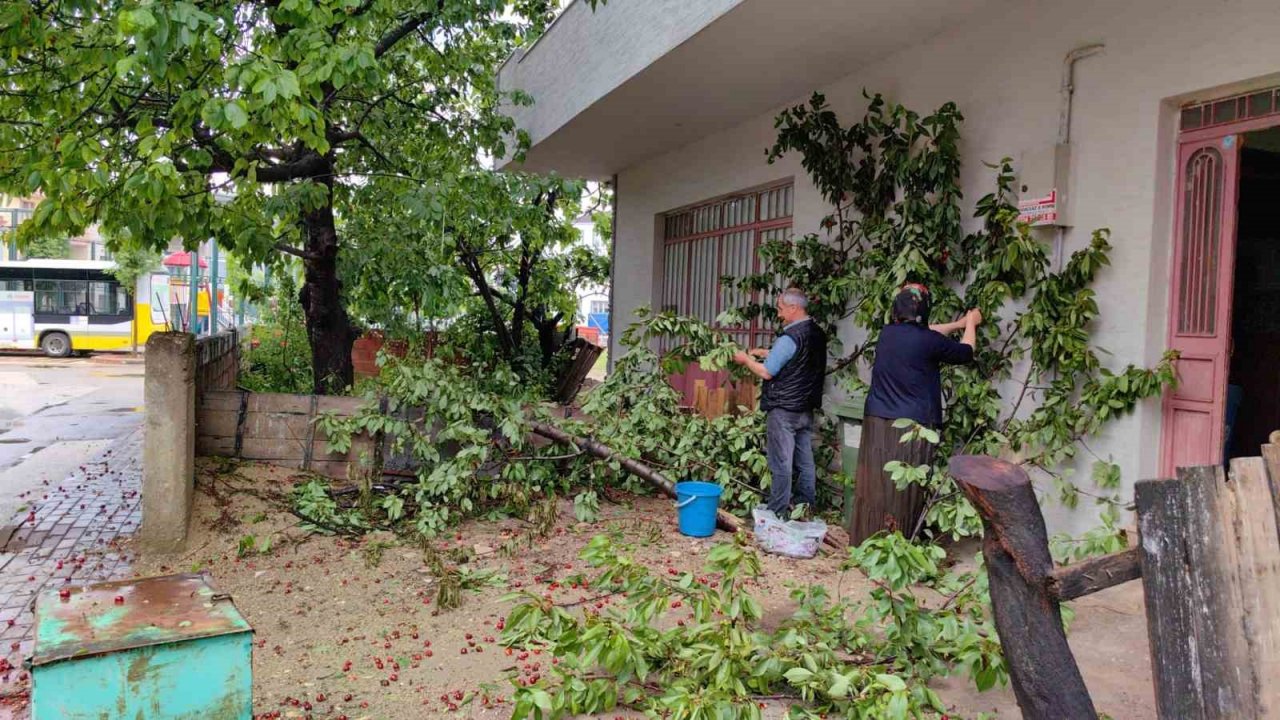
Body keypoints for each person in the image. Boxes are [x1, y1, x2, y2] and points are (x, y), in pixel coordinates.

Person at [849, 282, 981, 544]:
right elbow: (966, 352)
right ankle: (897, 547)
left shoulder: (888, 333)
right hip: (913, 426)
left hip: (877, 421)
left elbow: (926, 333)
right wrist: (970, 324)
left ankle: (864, 542)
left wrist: (956, 324)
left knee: (875, 484)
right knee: (905, 489)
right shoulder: (927, 341)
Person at [733, 287, 828, 516]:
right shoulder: (816, 333)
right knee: (805, 462)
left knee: (781, 463)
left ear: (794, 308)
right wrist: (768, 351)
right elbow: (797, 359)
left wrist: (746, 360)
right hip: (805, 409)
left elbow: (767, 372)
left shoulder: (790, 336)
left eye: (781, 308)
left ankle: (777, 511)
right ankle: (804, 507)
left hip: (784, 410)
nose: (779, 313)